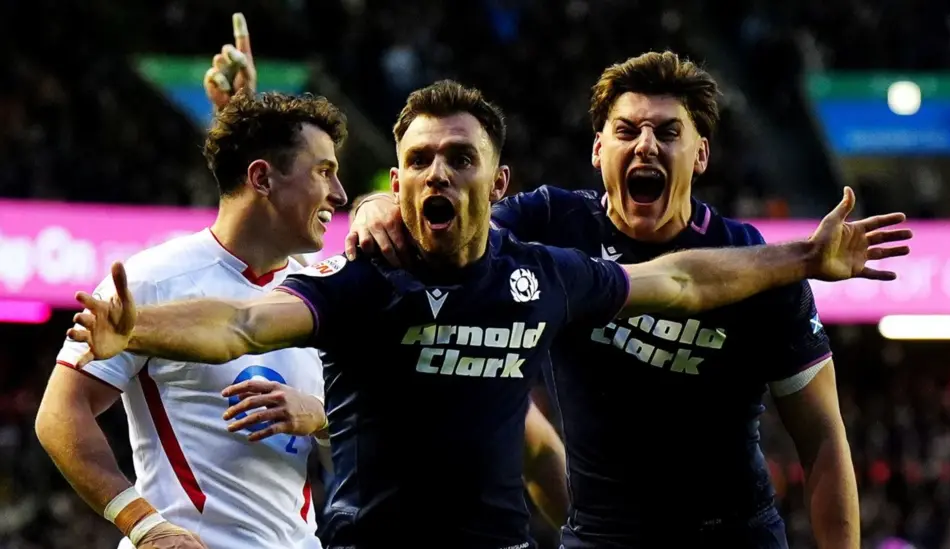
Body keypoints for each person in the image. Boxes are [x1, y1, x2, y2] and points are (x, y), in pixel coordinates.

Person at [66, 79, 908, 549]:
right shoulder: (366, 282)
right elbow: (243, 323)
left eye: (460, 158)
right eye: (419, 161)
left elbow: (681, 283)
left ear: (497, 183)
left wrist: (805, 257)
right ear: (397, 183)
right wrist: (135, 328)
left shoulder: (543, 276)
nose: (438, 174)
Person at [348, 52, 910, 548]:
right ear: (598, 150)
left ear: (701, 154)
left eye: (667, 132)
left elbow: (823, 439)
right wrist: (376, 205)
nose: (645, 144)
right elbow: (453, 223)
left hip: (733, 534)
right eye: (627, 130)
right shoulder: (552, 223)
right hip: (599, 537)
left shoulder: (755, 263)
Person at [200, 15, 573, 534]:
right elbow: (240, 309)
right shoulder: (340, 279)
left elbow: (524, 442)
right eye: (322, 173)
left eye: (337, 176)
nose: (337, 195)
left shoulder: (364, 268)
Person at [33, 17, 347, 549]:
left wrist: (317, 417)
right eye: (323, 171)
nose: (339, 194)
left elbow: (369, 431)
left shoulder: (322, 292)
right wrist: (144, 525)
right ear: (261, 178)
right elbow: (59, 412)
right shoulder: (151, 279)